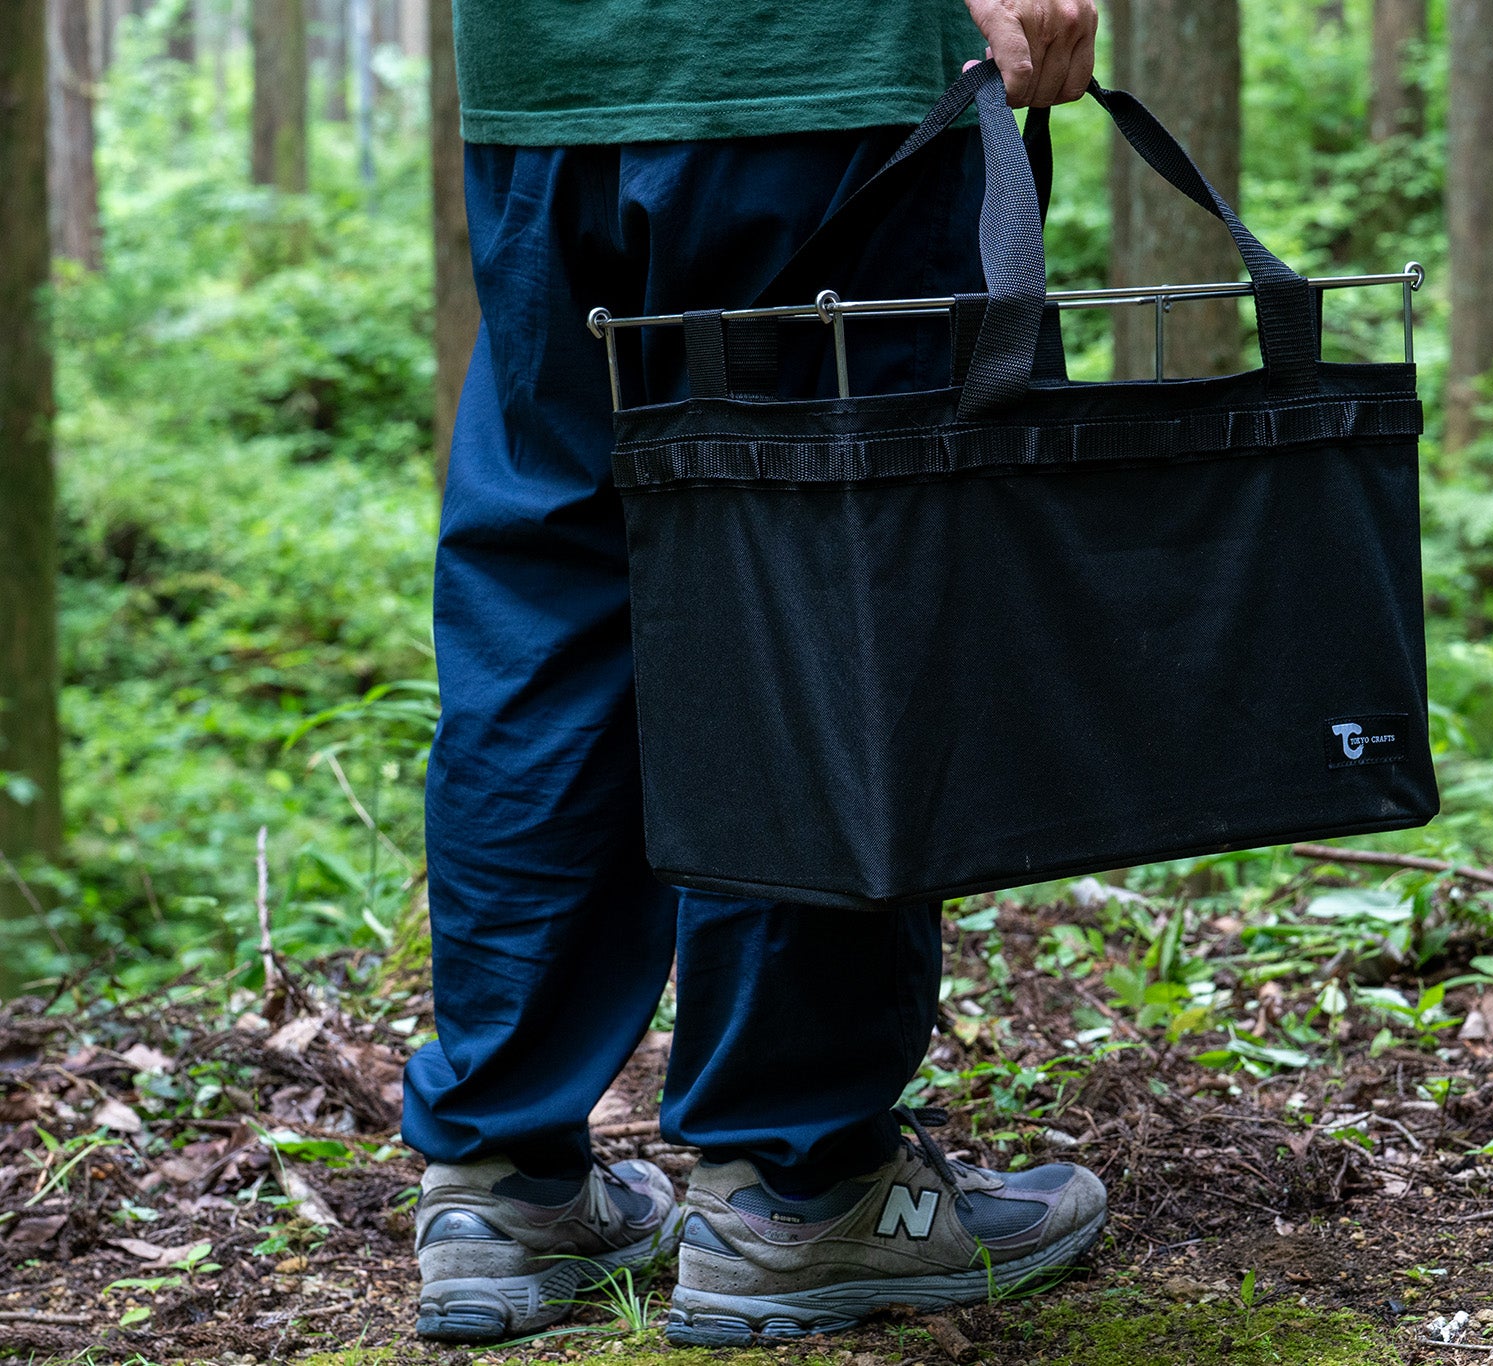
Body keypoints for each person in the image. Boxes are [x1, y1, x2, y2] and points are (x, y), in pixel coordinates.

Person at [401, 0, 1108, 1348]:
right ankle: (801, 1182)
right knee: (825, 578)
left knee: (552, 584)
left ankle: (501, 1186)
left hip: (549, 86)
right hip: (809, 72)